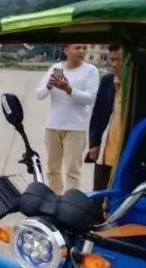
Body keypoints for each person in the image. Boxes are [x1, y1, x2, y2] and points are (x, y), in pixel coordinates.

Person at [36, 43, 100, 193]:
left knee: (73, 172)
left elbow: (90, 98)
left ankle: (70, 206)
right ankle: (55, 201)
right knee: (53, 170)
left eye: (84, 48)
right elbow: (39, 95)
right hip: (53, 127)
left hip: (75, 128)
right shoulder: (55, 68)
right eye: (77, 48)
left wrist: (68, 89)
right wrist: (48, 86)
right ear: (66, 50)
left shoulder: (91, 70)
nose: (82, 51)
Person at [88, 44, 124, 191]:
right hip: (105, 151)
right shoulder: (107, 81)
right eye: (112, 60)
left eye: (119, 60)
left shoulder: (138, 83)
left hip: (124, 155)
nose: (115, 64)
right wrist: (94, 143)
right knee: (99, 195)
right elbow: (98, 115)